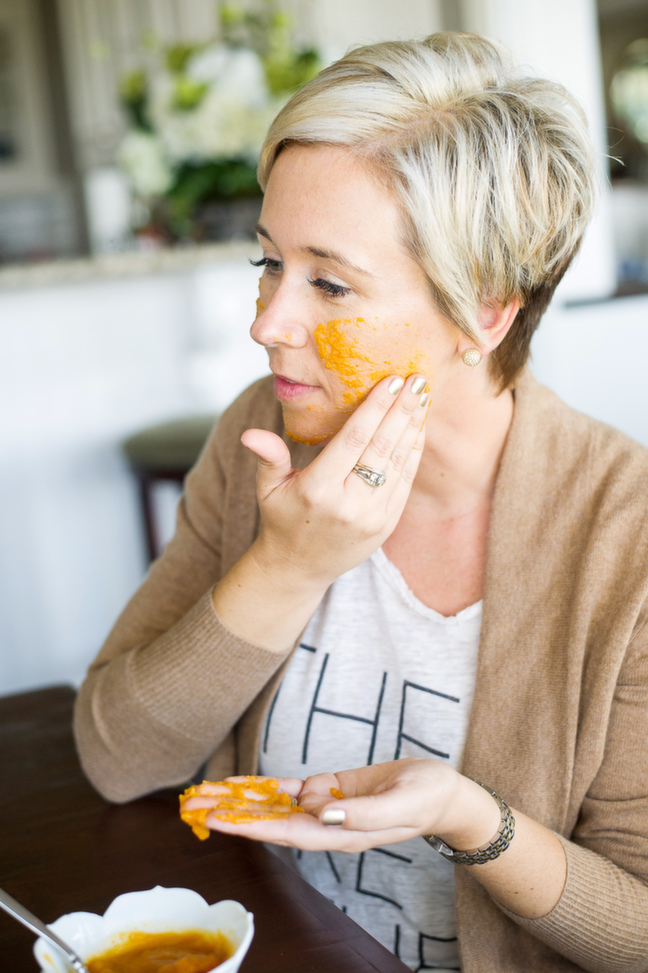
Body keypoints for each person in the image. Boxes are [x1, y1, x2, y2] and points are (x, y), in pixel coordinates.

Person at [74, 31, 648, 973]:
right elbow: (114, 757)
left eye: (329, 282)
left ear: (486, 312)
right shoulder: (259, 433)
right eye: (268, 264)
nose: (268, 323)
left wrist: (472, 818)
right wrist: (287, 565)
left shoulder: (625, 539)